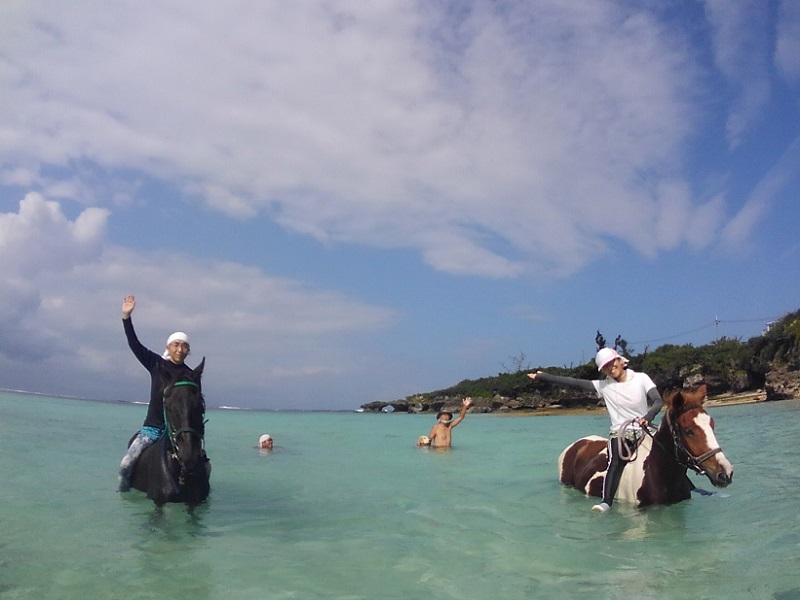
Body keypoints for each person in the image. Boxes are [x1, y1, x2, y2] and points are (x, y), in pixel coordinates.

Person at [527, 348, 663, 513]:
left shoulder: (641, 378)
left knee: (673, 450)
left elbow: (657, 401)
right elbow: (573, 382)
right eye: (605, 366)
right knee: (615, 461)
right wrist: (543, 376)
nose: (610, 367)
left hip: (644, 429)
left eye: (612, 362)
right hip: (621, 433)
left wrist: (648, 417)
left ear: (620, 360)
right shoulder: (603, 386)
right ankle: (606, 502)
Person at [117, 294, 195, 492]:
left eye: (184, 345)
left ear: (188, 351)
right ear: (168, 347)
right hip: (152, 429)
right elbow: (134, 344)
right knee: (126, 463)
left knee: (204, 465)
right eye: (176, 344)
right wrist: (126, 318)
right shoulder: (156, 364)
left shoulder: (189, 374)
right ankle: (123, 491)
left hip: (179, 432)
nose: (180, 349)